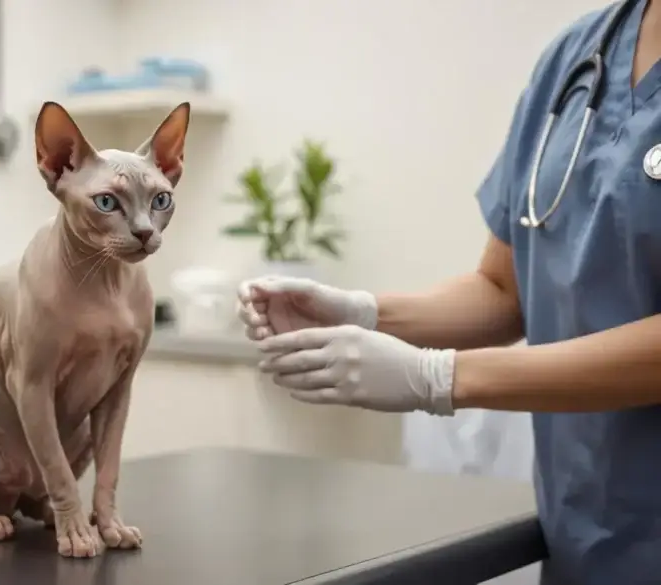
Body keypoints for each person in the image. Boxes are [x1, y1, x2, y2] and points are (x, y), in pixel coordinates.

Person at [235, 2, 661, 584]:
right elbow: (501, 291)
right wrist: (365, 313)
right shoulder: (577, 56)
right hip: (583, 537)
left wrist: (439, 378)